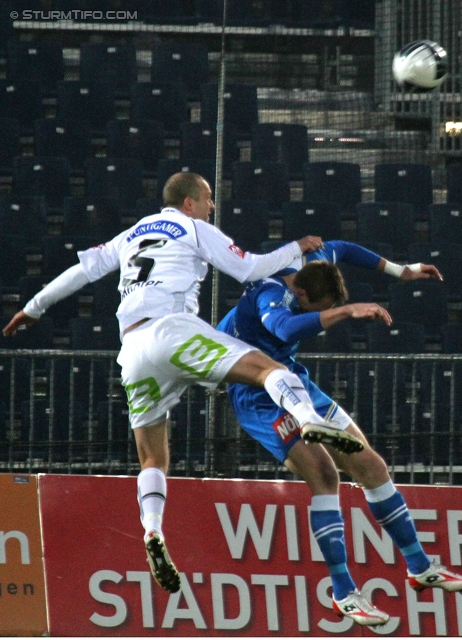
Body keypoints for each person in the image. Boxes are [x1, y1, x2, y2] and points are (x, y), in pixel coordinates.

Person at [2, 173, 364, 595]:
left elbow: (79, 273)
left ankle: (152, 531)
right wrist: (295, 248)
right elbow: (248, 268)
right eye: (208, 199)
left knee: (153, 459)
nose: (212, 206)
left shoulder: (130, 234)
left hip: (133, 351)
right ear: (189, 202)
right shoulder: (193, 227)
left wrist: (32, 308)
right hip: (172, 330)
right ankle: (308, 420)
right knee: (269, 370)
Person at [216, 240, 462, 627]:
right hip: (256, 390)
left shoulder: (314, 262)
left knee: (371, 464)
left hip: (291, 377)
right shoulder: (270, 293)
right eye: (320, 308)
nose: (325, 314)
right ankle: (344, 592)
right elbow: (283, 325)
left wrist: (402, 270)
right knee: (326, 476)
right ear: (299, 292)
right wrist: (345, 312)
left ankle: (419, 565)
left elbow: (342, 247)